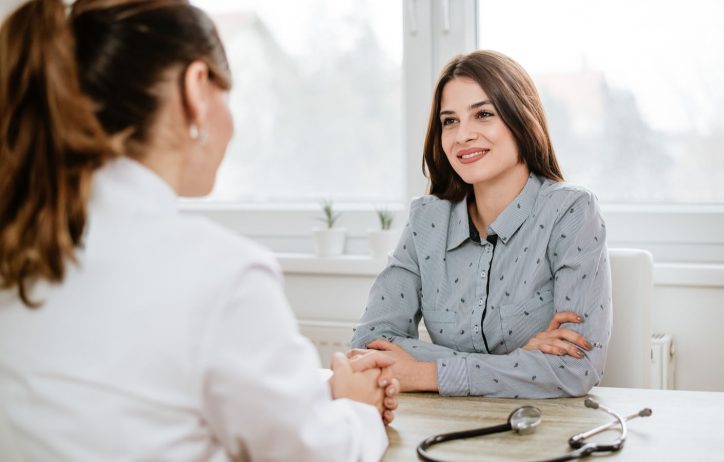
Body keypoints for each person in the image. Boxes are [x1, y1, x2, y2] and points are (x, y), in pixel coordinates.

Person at [0, 1, 398, 461]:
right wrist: (355, 407)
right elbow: (316, 454)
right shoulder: (220, 274)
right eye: (226, 95)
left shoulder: (22, 243)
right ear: (195, 88)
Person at [350, 50, 612, 399]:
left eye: (483, 114)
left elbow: (577, 368)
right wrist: (518, 362)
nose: (463, 136)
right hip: (450, 427)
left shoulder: (572, 212)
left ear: (521, 119)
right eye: (450, 121)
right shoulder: (425, 221)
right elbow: (369, 345)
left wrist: (426, 373)